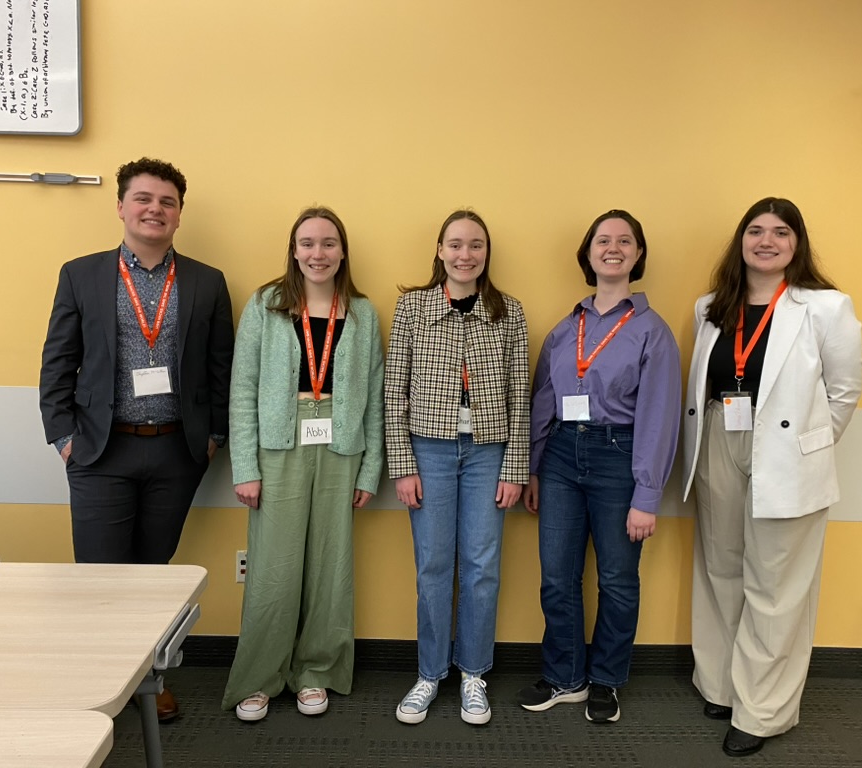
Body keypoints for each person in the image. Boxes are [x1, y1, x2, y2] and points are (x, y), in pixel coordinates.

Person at [39, 157, 235, 721]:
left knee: (152, 574)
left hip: (176, 450)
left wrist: (214, 437)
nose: (155, 209)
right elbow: (58, 362)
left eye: (167, 202)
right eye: (144, 199)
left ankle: (150, 680)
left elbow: (220, 366)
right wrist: (64, 437)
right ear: (121, 206)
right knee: (100, 577)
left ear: (179, 215)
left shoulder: (206, 281)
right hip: (100, 449)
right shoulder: (82, 274)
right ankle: (101, 685)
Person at [682, 197, 862, 757]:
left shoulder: (826, 308)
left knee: (776, 586)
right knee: (721, 568)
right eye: (756, 231)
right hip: (718, 438)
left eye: (780, 233)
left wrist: (805, 448)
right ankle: (720, 684)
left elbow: (844, 393)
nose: (767, 241)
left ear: (796, 243)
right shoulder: (711, 306)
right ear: (741, 241)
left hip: (784, 453)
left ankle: (761, 711)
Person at [516, 209, 681, 724]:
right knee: (556, 576)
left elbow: (659, 417)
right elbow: (543, 400)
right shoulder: (568, 329)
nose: (614, 248)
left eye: (625, 241)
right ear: (588, 254)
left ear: (637, 254)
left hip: (619, 458)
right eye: (603, 240)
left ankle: (607, 679)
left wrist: (646, 495)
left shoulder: (653, 331)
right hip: (562, 455)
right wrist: (535, 468)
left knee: (617, 578)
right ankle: (566, 676)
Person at [221, 207, 384, 723]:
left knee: (331, 568)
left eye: (329, 243)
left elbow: (376, 397)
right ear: (294, 250)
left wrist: (369, 469)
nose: (318, 253)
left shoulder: (360, 312)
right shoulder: (265, 306)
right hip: (279, 445)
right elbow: (242, 389)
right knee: (274, 568)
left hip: (342, 447)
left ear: (342, 252)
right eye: (308, 243)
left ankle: (316, 671)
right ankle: (260, 677)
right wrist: (244, 465)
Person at [385, 210, 529, 726]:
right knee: (432, 565)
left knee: (482, 566)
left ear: (487, 253)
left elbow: (521, 398)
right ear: (440, 250)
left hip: (489, 453)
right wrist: (402, 464)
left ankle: (473, 673)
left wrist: (515, 468)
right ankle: (429, 672)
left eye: (476, 245)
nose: (465, 255)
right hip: (430, 451)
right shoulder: (413, 308)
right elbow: (394, 390)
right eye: (456, 245)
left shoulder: (508, 311)